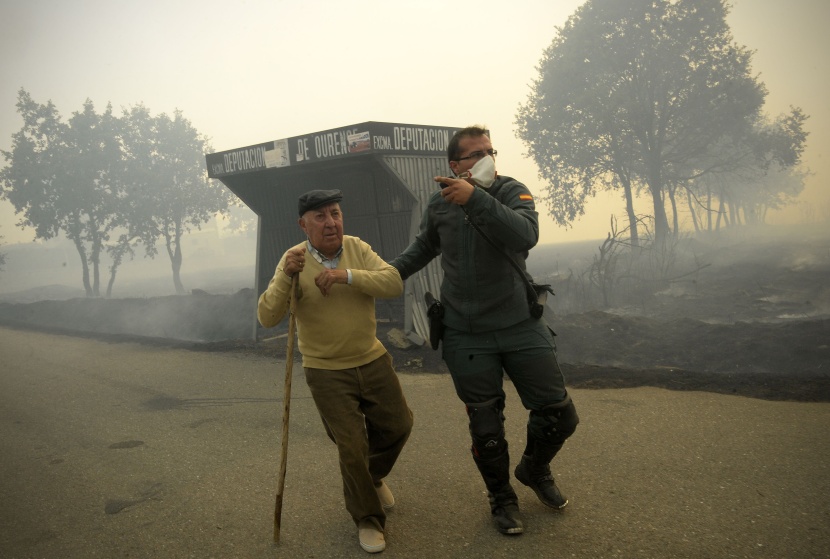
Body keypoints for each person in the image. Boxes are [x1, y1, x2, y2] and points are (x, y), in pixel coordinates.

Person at [390, 126, 578, 536]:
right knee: (486, 427)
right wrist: (380, 277)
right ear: (454, 165)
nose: (485, 158)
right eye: (474, 154)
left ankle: (534, 468)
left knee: (559, 416)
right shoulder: (440, 206)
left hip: (518, 324)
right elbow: (422, 248)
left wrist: (476, 198)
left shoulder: (511, 191)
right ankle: (502, 499)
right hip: (466, 332)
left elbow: (525, 234)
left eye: (489, 151)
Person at [258, 189, 413, 554]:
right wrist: (285, 277)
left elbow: (393, 283)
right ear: (304, 224)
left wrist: (347, 276)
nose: (331, 222)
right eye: (321, 216)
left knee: (399, 425)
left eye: (335, 213)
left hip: (372, 358)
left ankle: (370, 477)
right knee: (351, 445)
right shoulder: (292, 260)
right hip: (326, 370)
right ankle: (368, 519)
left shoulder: (357, 248)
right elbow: (267, 317)